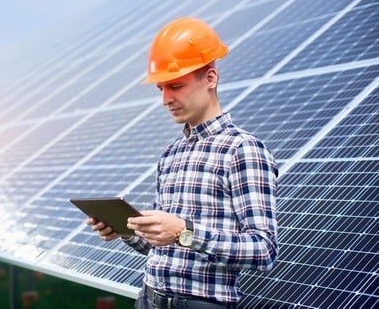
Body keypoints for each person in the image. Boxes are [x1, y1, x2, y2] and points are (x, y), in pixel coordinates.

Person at [87, 16, 278, 309]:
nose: (166, 99)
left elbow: (263, 251)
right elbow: (162, 246)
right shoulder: (170, 154)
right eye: (160, 88)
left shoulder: (243, 150)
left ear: (210, 78)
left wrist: (183, 231)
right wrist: (123, 230)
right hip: (148, 299)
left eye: (175, 85)